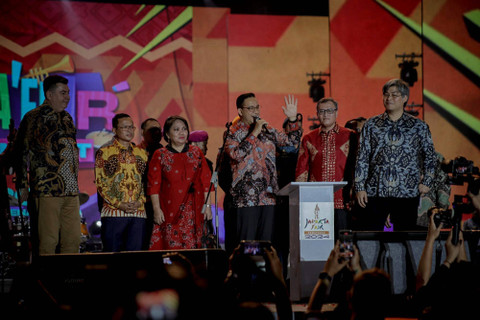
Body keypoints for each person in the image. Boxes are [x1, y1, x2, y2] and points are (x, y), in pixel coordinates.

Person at [354, 79, 437, 231]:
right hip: (375, 192)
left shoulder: (418, 126)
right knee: (370, 240)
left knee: (405, 240)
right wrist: (360, 187)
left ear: (405, 98)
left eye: (394, 95)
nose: (389, 98)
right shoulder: (371, 125)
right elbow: (362, 157)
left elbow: (431, 157)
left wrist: (428, 181)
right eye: (386, 95)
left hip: (407, 193)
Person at [14, 74, 81, 255]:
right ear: (49, 95)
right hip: (47, 189)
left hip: (71, 189)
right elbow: (20, 152)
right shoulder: (33, 117)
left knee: (73, 239)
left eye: (68, 93)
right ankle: (45, 281)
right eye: (62, 93)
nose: (67, 97)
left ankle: (69, 281)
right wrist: (22, 185)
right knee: (48, 241)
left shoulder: (67, 118)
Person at [224, 93, 302, 247]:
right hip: (246, 199)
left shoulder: (268, 129)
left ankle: (264, 271)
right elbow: (236, 154)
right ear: (240, 111)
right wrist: (254, 133)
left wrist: (293, 120)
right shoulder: (233, 132)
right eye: (250, 108)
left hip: (268, 195)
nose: (256, 111)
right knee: (247, 246)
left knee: (266, 245)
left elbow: (292, 144)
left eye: (257, 107)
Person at [147, 115, 213, 250]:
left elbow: (206, 181)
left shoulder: (196, 152)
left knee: (195, 247)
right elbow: (154, 185)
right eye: (176, 129)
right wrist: (156, 209)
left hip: (194, 207)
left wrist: (207, 206)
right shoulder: (160, 154)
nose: (181, 133)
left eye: (184, 129)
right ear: (167, 134)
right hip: (169, 208)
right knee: (170, 248)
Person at [295, 97, 358, 234]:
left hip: (343, 200)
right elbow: (301, 171)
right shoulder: (308, 138)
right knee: (317, 242)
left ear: (336, 112)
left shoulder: (350, 136)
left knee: (342, 244)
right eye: (322, 111)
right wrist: (301, 199)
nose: (325, 115)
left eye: (329, 111)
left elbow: (357, 167)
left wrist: (355, 192)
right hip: (316, 201)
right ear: (317, 114)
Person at [94, 113, 148, 252]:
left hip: (138, 213)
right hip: (113, 213)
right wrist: (119, 204)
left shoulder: (141, 153)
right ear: (114, 130)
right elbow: (101, 183)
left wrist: (140, 201)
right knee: (113, 259)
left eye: (131, 127)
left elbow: (147, 182)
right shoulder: (104, 152)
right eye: (124, 127)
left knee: (135, 260)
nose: (129, 130)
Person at [137, 117, 163, 249]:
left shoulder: (164, 152)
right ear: (143, 132)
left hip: (161, 203)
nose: (155, 133)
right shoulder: (135, 152)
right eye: (151, 129)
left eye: (158, 130)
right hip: (141, 204)